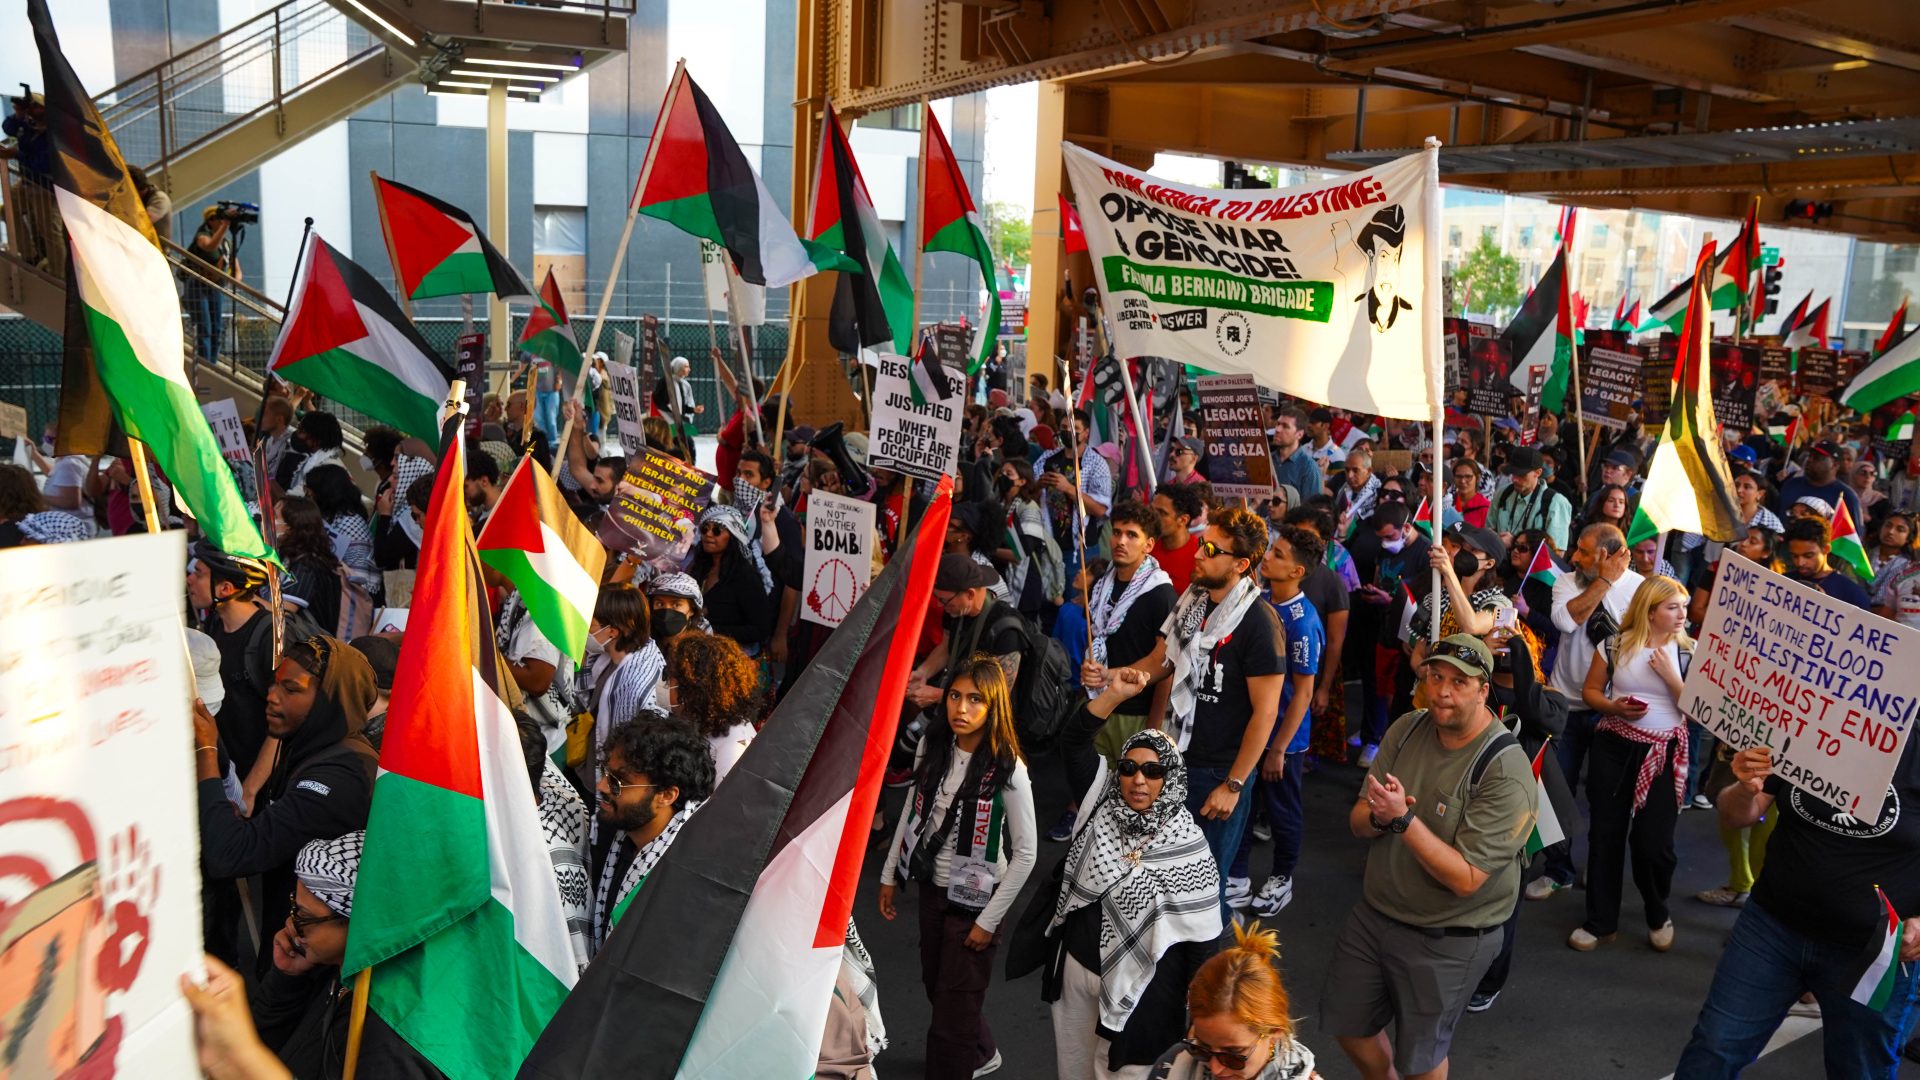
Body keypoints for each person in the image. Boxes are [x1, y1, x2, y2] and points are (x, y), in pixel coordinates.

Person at [1321, 634, 1534, 1080]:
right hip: (1377, 913)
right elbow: (1359, 822)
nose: (1442, 691)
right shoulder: (1406, 728)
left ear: (1483, 691)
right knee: (1346, 1021)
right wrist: (1381, 817)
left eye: (1460, 682)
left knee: (1421, 1058)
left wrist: (1402, 820)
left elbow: (1467, 878)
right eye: (1436, 676)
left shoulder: (1504, 769)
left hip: (1449, 935)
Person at [1674, 739, 1920, 1078]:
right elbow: (1736, 816)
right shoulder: (1807, 730)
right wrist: (1745, 789)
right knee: (1714, 1047)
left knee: (1861, 1069)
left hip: (1872, 951)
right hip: (1771, 927)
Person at [880, 654, 1037, 1079]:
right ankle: (982, 1050)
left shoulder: (1009, 768)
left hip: (977, 902)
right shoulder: (933, 747)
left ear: (993, 708)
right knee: (940, 988)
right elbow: (914, 811)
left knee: (952, 1011)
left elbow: (1027, 854)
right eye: (954, 696)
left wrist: (989, 920)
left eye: (974, 700)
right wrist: (889, 872)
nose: (961, 709)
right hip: (934, 890)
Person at [1127, 506, 1284, 918]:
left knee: (1202, 892)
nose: (1199, 553)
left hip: (1217, 773)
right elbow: (1162, 661)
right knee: (1161, 878)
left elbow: (1265, 715)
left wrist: (1233, 785)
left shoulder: (1259, 624)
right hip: (1175, 759)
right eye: (1202, 542)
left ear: (1242, 564)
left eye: (1212, 548)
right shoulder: (1194, 597)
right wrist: (1116, 675)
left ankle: (1205, 978)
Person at [1043, 727, 1223, 1079]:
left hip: (1146, 995)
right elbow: (1072, 740)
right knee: (1073, 1070)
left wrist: (1203, 1017)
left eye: (1153, 771)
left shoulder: (1190, 847)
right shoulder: (1099, 814)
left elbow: (1204, 944)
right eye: (1128, 768)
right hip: (1077, 973)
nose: (1138, 779)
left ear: (1170, 778)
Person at [195, 637, 376, 972]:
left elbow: (229, 854)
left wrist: (205, 749)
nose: (272, 696)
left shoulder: (340, 778)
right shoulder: (315, 750)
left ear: (329, 701)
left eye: (291, 689)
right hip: (286, 947)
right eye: (275, 683)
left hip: (309, 968)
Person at [1571, 575, 1692, 952]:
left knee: (1653, 845)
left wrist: (1672, 678)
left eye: (1683, 607)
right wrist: (1613, 707)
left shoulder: (1690, 653)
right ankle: (1601, 921)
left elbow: (1701, 712)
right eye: (1673, 607)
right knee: (1605, 835)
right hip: (1613, 746)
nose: (1681, 615)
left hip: (1662, 754)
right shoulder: (1614, 644)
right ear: (1650, 610)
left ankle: (1658, 911)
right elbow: (1590, 691)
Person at [1530, 522, 1644, 901]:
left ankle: (1597, 874)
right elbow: (1566, 620)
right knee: (1556, 793)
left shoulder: (1642, 590)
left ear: (1608, 555)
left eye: (1583, 551)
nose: (1574, 556)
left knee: (1604, 799)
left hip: (1612, 710)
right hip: (1564, 705)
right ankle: (1558, 869)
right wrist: (1604, 583)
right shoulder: (1568, 581)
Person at [1073, 501, 1178, 835]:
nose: (1121, 540)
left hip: (1133, 713)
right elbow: (1099, 641)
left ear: (1148, 544)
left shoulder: (1160, 592)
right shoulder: (1103, 583)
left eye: (1132, 535)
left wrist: (1153, 727)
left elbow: (1166, 663)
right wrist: (1090, 672)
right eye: (1117, 532)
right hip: (1095, 703)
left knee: (1129, 799)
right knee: (1089, 790)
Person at [1242, 524, 1325, 919]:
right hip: (1250, 727)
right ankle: (1237, 875)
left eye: (1277, 554)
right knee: (1242, 801)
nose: (1268, 557)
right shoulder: (1258, 598)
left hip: (1282, 741)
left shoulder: (1303, 621)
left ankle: (1282, 877)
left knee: (1281, 809)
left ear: (1297, 572)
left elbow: (1304, 694)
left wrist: (1278, 749)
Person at [592, 716, 715, 953]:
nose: (603, 787)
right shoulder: (612, 832)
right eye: (606, 773)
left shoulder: (681, 876)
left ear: (666, 796)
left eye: (619, 782)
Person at [1146, 921, 1319, 1079]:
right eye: (1201, 1049)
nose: (1215, 1069)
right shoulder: (1172, 1065)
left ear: (1274, 1034)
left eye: (1234, 1055)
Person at [661, 631, 760, 783]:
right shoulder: (713, 725)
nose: (664, 686)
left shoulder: (732, 754)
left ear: (692, 690)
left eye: (670, 680)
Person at [583, 582, 666, 763]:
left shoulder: (637, 688)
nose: (585, 629)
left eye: (591, 623)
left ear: (612, 632)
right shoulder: (607, 657)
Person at [692, 504, 777, 652]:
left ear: (733, 534)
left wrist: (711, 630)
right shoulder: (699, 568)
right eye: (705, 528)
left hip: (731, 659)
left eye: (717, 530)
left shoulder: (745, 576)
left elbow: (761, 629)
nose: (708, 534)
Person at [276, 497, 344, 635]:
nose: (267, 521)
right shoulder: (288, 557)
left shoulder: (306, 566)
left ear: (290, 527)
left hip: (308, 649)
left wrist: (247, 600)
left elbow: (284, 612)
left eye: (274, 516)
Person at [1487, 446, 1573, 550]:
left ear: (1538, 473)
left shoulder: (1556, 503)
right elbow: (1488, 531)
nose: (1515, 479)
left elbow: (1556, 554)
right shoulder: (1502, 493)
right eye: (1513, 473)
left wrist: (1515, 544)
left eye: (1521, 475)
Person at [187, 204, 241, 363]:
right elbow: (210, 247)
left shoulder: (227, 244)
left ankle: (212, 362)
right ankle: (206, 363)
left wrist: (234, 283)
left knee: (216, 328)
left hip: (216, 287)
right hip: (198, 284)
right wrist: (225, 227)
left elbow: (236, 268)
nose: (222, 222)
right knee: (205, 327)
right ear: (210, 221)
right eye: (219, 220)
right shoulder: (203, 235)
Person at [1783, 516, 1873, 608]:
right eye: (1795, 556)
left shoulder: (1852, 594)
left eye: (1808, 556)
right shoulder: (1782, 582)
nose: (1800, 563)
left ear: (1826, 549)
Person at [1776, 442, 1862, 527]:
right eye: (1810, 456)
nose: (1809, 460)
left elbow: (1853, 537)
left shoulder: (1846, 497)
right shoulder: (1791, 484)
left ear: (1834, 464)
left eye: (1817, 458)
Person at [1150, 483, 1204, 597]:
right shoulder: (1145, 546)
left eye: (1162, 513)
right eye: (1152, 510)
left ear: (1183, 520)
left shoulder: (1201, 556)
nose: (1152, 517)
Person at [1333, 449, 1381, 530]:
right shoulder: (1341, 483)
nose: (1350, 475)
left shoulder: (1379, 494)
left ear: (1369, 471)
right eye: (1347, 470)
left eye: (1356, 470)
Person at [1449, 459, 1491, 529]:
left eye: (1468, 477)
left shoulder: (1485, 508)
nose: (1462, 481)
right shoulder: (1447, 503)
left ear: (1478, 478)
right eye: (1458, 476)